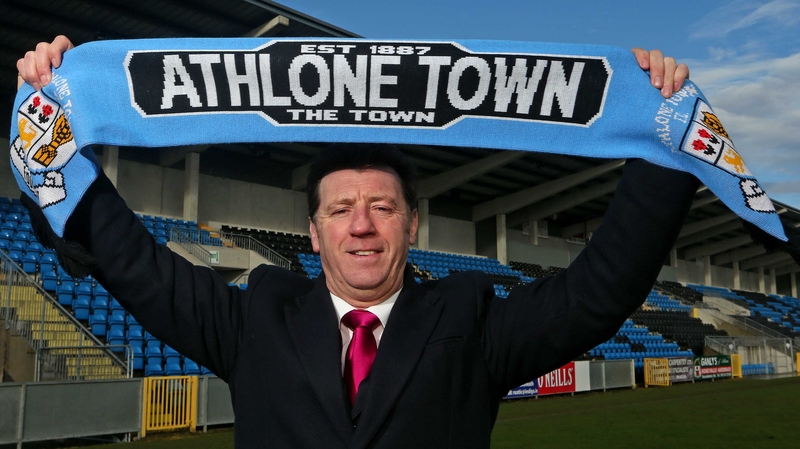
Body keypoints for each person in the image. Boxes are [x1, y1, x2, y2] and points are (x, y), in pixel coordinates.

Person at [17, 37, 697, 448]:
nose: (362, 224)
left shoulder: (471, 320)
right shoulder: (255, 318)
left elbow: (600, 287)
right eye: (342, 208)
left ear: (411, 225)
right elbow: (132, 262)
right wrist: (55, 125)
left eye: (381, 206)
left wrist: (661, 137)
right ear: (314, 232)